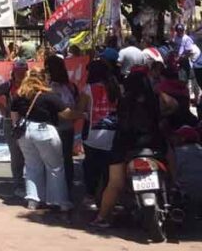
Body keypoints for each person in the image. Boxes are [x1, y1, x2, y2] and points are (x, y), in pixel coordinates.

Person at [91, 69, 167, 228]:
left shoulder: (123, 100)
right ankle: (175, 187)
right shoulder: (155, 98)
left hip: (124, 145)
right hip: (152, 142)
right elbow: (173, 106)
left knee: (115, 183)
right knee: (169, 159)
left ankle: (102, 218)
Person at [10, 69, 81, 212]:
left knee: (31, 166)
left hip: (24, 131)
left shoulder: (19, 95)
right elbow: (66, 114)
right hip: (44, 130)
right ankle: (59, 201)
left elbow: (14, 117)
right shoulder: (49, 96)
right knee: (55, 167)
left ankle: (33, 200)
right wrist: (82, 114)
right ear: (43, 79)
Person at [0, 59, 29, 197]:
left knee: (29, 155)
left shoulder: (30, 85)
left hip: (29, 122)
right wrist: (1, 108)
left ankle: (32, 184)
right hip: (11, 123)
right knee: (16, 155)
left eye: (23, 71)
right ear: (14, 71)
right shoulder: (8, 85)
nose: (21, 74)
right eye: (18, 71)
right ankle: (18, 184)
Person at [82, 60, 120, 209]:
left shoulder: (88, 89)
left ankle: (90, 196)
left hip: (92, 135)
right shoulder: (116, 87)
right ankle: (108, 197)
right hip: (113, 134)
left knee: (91, 167)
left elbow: (80, 108)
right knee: (108, 169)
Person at [45, 54, 82, 194]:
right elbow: (78, 106)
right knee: (66, 158)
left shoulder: (45, 87)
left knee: (50, 159)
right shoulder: (71, 86)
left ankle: (53, 189)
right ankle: (67, 188)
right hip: (67, 126)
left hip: (50, 127)